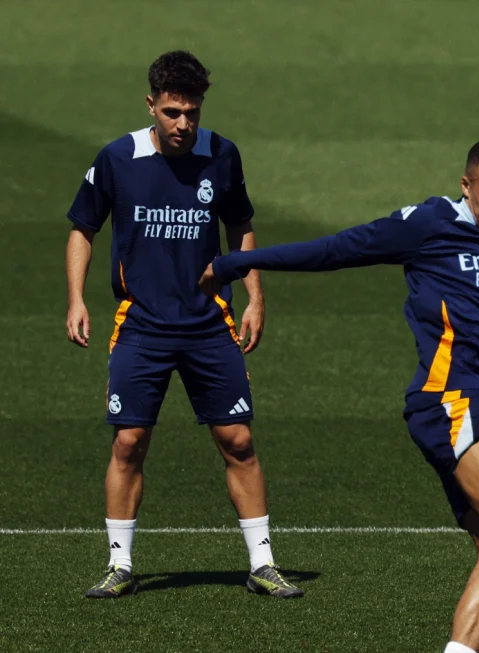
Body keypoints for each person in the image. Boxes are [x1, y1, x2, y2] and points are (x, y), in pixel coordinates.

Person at [198, 139, 479, 653]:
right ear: (466, 186)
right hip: (449, 397)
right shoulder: (427, 225)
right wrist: (237, 262)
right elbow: (334, 250)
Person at [66, 51, 300, 599]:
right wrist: (76, 299)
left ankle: (263, 564)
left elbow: (240, 226)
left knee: (238, 439)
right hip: (141, 324)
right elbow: (82, 229)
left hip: (208, 324)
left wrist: (255, 296)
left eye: (192, 112)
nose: (183, 124)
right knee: (129, 442)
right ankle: (120, 566)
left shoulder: (221, 154)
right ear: (151, 105)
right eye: (172, 112)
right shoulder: (118, 158)